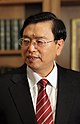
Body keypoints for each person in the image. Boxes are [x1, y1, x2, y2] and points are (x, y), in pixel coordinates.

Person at [0, 12, 80, 124]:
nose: (31, 48)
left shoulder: (77, 83)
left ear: (59, 46)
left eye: (40, 42)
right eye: (26, 41)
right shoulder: (3, 86)